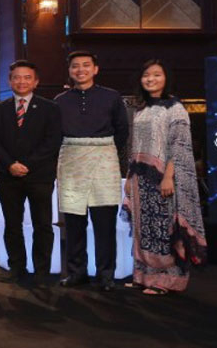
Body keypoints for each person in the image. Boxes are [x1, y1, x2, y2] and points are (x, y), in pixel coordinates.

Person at [124, 59, 207, 295]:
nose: (151, 79)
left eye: (157, 75)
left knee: (163, 229)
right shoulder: (141, 109)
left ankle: (166, 281)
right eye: (146, 75)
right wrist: (131, 177)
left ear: (166, 78)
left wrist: (168, 176)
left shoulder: (175, 108)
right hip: (141, 179)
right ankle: (143, 276)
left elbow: (179, 146)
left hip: (163, 179)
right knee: (144, 229)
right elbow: (135, 146)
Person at [55, 51, 130, 291]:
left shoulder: (112, 97)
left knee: (104, 223)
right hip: (71, 160)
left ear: (95, 69)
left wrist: (104, 153)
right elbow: (55, 134)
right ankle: (76, 273)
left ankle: (106, 275)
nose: (80, 70)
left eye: (86, 65)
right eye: (75, 66)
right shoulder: (60, 100)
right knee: (74, 222)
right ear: (69, 71)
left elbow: (122, 131)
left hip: (103, 159)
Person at [0, 60, 62, 284]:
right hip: (9, 176)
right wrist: (10, 164)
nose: (21, 81)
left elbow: (52, 142)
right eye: (17, 77)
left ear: (36, 81)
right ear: (10, 81)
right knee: (12, 225)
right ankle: (16, 267)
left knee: (43, 224)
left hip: (39, 177)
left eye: (27, 77)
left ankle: (42, 271)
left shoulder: (50, 108)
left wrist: (27, 164)